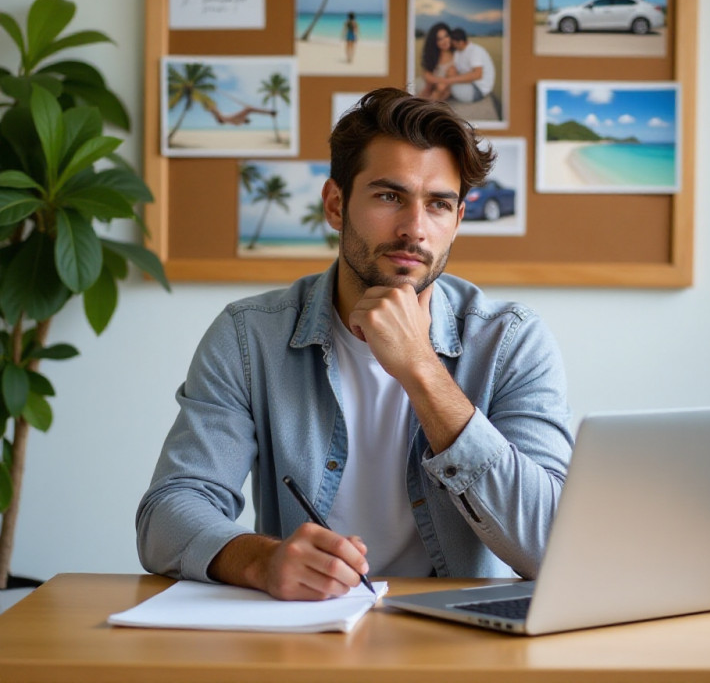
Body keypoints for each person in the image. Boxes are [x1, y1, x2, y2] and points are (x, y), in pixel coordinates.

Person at [136, 87, 573, 601]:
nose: (415, 229)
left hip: (458, 640)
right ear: (336, 204)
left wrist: (421, 369)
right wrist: (262, 560)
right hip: (304, 630)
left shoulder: (511, 341)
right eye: (390, 196)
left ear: (457, 220)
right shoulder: (250, 335)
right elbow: (167, 512)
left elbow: (555, 546)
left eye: (438, 205)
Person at [446, 27, 496, 104]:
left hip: (478, 89)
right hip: (468, 82)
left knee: (449, 86)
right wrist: (451, 73)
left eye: (453, 43)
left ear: (461, 42)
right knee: (445, 82)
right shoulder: (457, 52)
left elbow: (477, 75)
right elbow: (454, 68)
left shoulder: (475, 50)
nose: (452, 45)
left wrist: (450, 80)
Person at [418, 22, 457, 101]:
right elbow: (427, 75)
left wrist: (443, 82)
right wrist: (440, 80)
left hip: (448, 87)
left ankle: (432, 103)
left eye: (446, 36)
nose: (445, 41)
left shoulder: (456, 54)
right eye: (440, 39)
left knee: (444, 83)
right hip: (434, 83)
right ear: (435, 42)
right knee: (428, 88)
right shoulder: (433, 55)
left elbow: (454, 76)